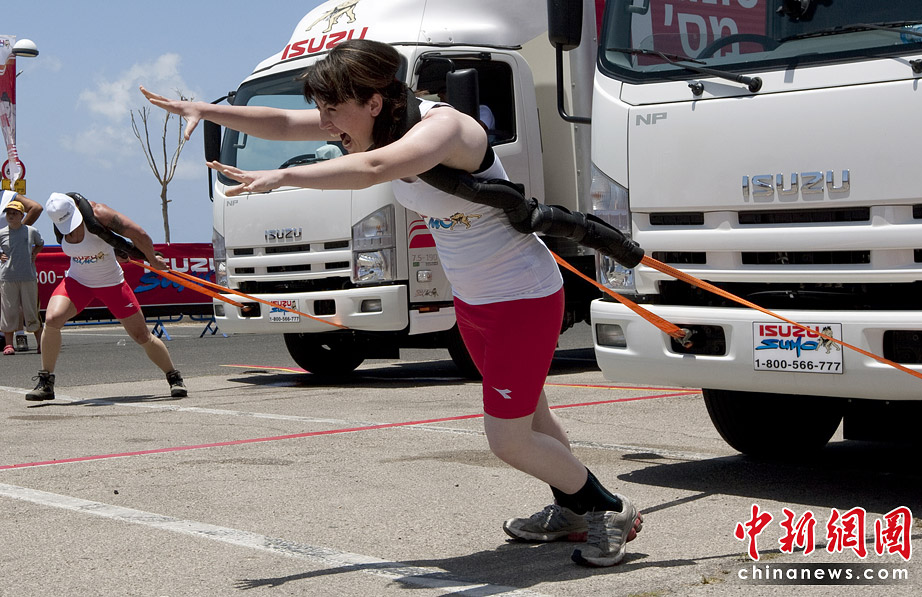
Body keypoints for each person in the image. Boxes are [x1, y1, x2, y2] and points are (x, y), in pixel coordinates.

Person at [141, 38, 641, 567]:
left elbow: (376, 168)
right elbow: (283, 123)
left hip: (521, 296)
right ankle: (572, 508)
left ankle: (608, 508)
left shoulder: (443, 128)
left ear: (375, 102)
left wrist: (284, 176)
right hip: (474, 300)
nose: (325, 124)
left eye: (332, 110)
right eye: (321, 110)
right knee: (531, 420)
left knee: (508, 439)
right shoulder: (371, 120)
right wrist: (206, 110)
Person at [24, 193, 187, 401]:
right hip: (78, 282)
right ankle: (46, 382)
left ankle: (174, 377)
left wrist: (153, 260)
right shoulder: (59, 219)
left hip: (111, 284)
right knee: (52, 319)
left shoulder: (100, 213)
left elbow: (139, 233)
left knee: (142, 336)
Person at [0, 190, 44, 351]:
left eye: (14, 213)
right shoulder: (1, 233)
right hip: (7, 277)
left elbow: (40, 243)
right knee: (8, 311)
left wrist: (35, 253)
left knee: (31, 310)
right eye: (8, 213)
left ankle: (41, 343)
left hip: (28, 276)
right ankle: (9, 344)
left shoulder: (31, 231)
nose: (11, 216)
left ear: (21, 215)